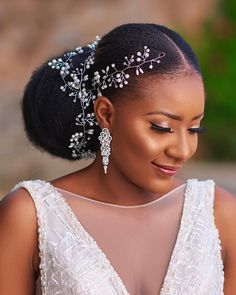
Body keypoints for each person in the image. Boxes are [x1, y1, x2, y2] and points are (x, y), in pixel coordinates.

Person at [0, 23, 235, 295]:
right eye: (161, 127)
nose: (182, 150)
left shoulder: (220, 215)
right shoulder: (29, 216)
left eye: (194, 129)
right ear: (106, 114)